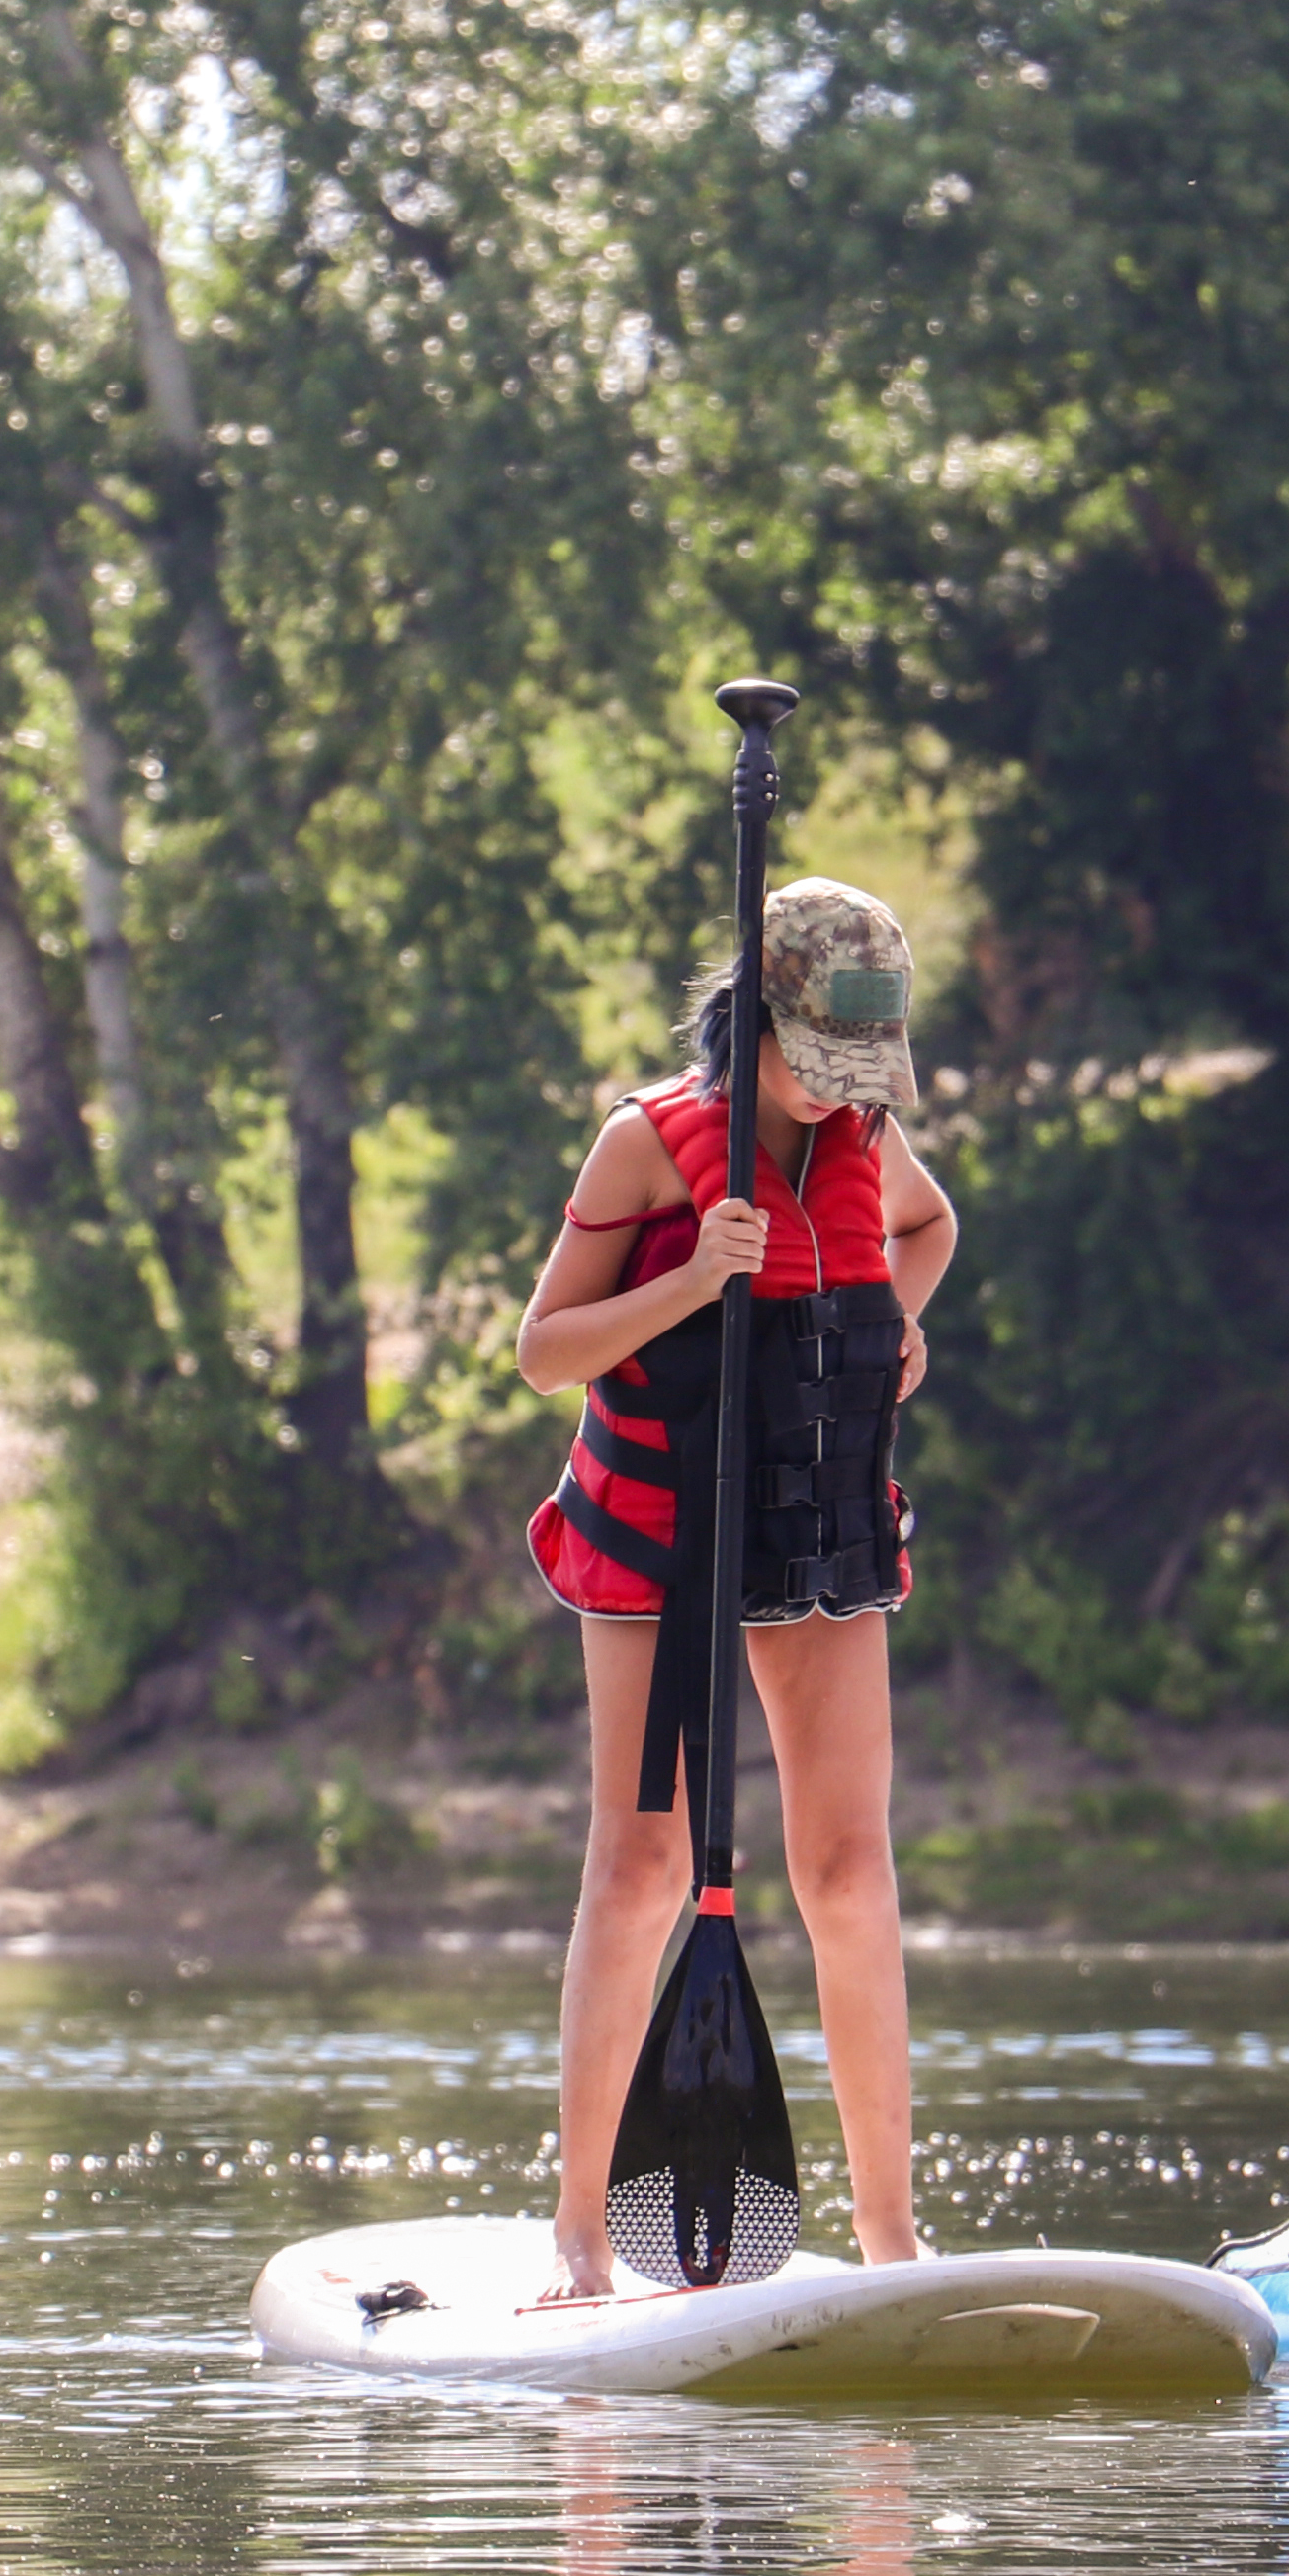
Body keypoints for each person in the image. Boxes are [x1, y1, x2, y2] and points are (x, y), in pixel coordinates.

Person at [516, 877, 960, 2292]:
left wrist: (896, 1333)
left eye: (856, 1074)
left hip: (815, 1524)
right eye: (815, 1065)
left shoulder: (864, 1136)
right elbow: (546, 1351)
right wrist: (692, 1279)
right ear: (751, 1023)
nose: (838, 1100)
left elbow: (926, 1230)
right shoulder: (649, 1145)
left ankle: (889, 2232)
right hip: (660, 1530)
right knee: (642, 1861)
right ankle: (582, 2232)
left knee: (846, 1867)